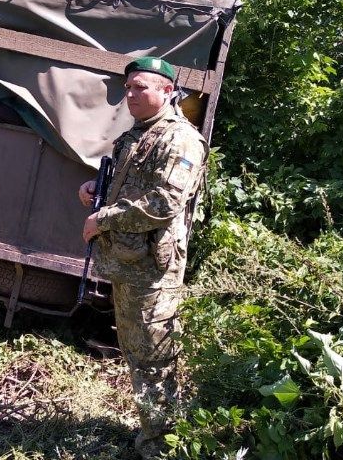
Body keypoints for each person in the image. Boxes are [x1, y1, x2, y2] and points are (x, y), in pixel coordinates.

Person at [79, 56, 208, 458]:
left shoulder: (180, 139)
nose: (130, 94)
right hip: (131, 264)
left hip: (154, 272)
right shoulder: (136, 135)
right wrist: (94, 190)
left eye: (141, 87)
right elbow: (132, 187)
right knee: (138, 353)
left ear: (167, 91)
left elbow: (163, 201)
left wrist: (103, 218)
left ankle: (162, 447)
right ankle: (153, 434)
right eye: (128, 87)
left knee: (155, 359)